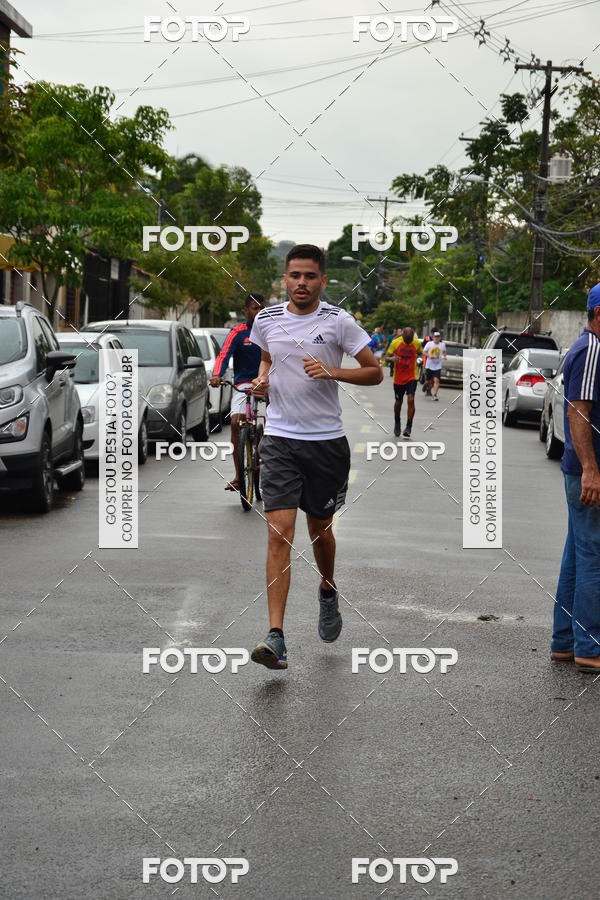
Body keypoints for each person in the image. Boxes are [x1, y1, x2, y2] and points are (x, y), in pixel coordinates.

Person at [248, 244, 383, 670]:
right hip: (281, 439)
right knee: (278, 532)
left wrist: (334, 371)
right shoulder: (266, 319)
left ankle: (327, 588)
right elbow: (267, 359)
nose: (301, 283)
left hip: (325, 444)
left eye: (309, 276)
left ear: (323, 281)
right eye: (294, 276)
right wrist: (262, 381)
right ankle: (276, 636)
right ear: (284, 279)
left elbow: (374, 371)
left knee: (319, 531)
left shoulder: (338, 321)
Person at [551, 284, 600, 672]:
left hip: (581, 470)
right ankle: (590, 646)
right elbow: (577, 413)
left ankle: (565, 642)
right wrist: (591, 470)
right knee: (593, 558)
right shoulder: (592, 351)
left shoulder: (584, 347)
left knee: (576, 557)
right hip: (588, 471)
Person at [210, 293, 265, 491]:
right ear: (246, 310)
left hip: (267, 383)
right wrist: (217, 374)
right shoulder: (238, 332)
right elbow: (224, 355)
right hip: (244, 384)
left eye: (261, 308)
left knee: (279, 419)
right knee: (235, 422)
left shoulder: (271, 331)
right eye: (254, 308)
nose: (258, 312)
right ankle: (238, 476)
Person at [386, 326, 422, 437]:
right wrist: (392, 359)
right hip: (398, 377)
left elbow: (420, 353)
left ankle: (408, 427)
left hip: (412, 376)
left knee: (411, 399)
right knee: (398, 402)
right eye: (407, 340)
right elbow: (387, 357)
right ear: (403, 336)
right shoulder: (395, 343)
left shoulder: (416, 343)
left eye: (410, 340)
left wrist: (419, 360)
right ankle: (397, 423)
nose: (409, 342)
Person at [422, 331, 447, 400]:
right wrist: (428, 355)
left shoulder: (442, 345)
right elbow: (424, 352)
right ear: (433, 337)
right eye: (435, 337)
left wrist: (445, 356)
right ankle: (425, 384)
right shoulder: (429, 344)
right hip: (429, 365)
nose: (437, 338)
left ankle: (435, 395)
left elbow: (444, 351)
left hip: (437, 365)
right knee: (428, 380)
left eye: (438, 337)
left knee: (436, 380)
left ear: (440, 338)